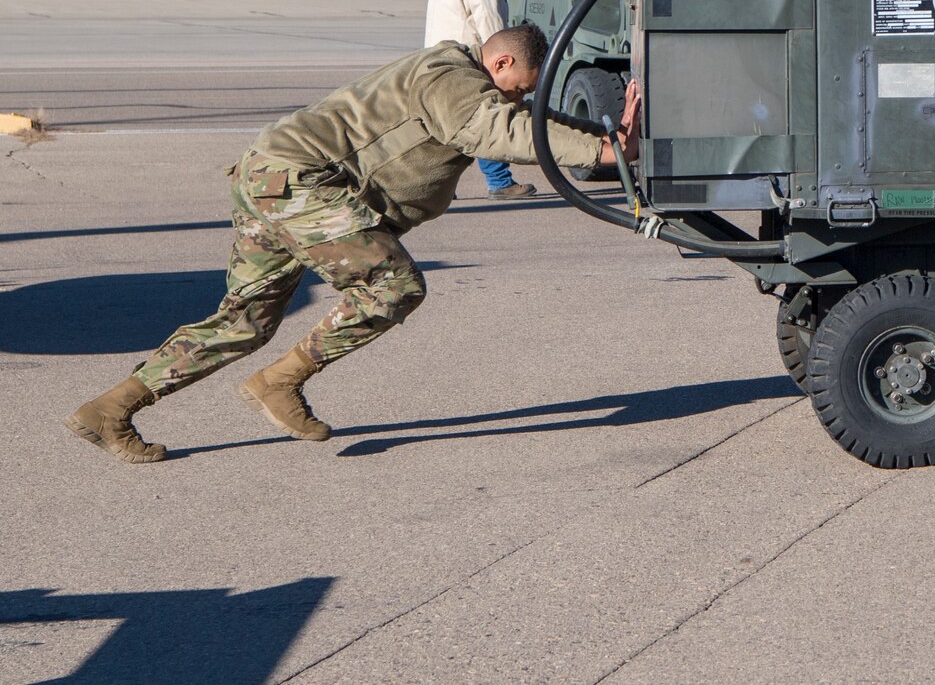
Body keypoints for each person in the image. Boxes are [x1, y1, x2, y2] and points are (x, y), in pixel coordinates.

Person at [66, 23, 636, 463]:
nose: (516, 100)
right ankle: (279, 380)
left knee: (244, 323)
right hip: (301, 182)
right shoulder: (452, 78)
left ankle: (109, 411)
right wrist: (607, 155)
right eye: (517, 88)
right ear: (501, 61)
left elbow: (528, 120)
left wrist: (610, 139)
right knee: (393, 286)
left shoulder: (468, 83)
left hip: (273, 178)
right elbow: (495, 129)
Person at [426, 0, 533, 198]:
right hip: (470, 54)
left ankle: (437, 185)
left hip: (437, 55)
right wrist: (505, 54)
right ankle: (500, 182)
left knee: (450, 124)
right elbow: (487, 15)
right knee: (486, 118)